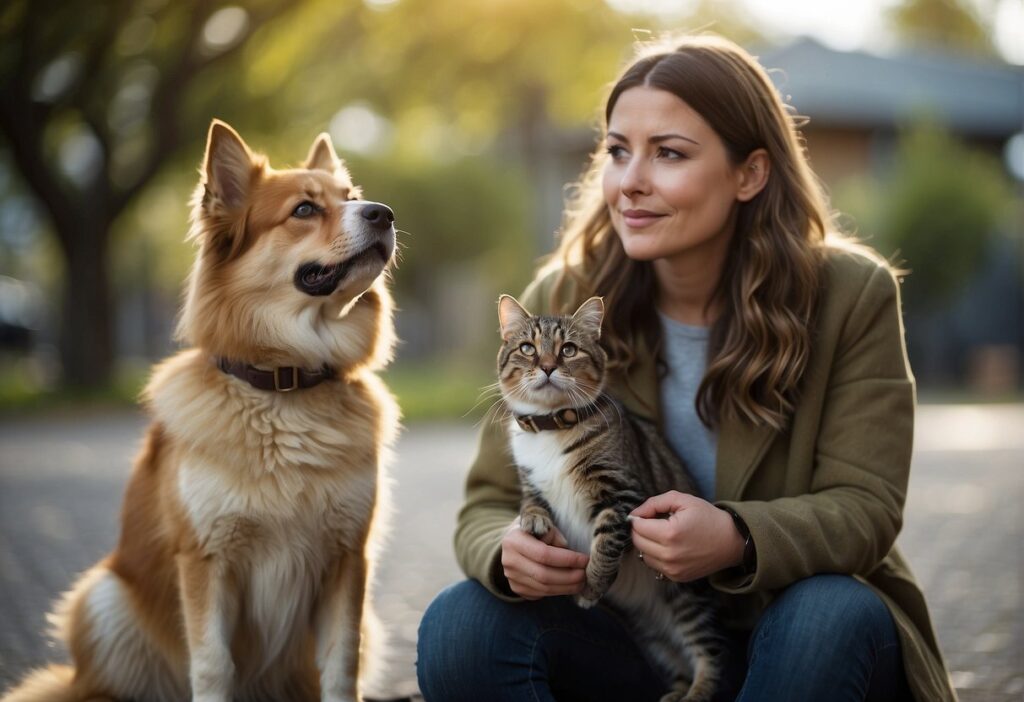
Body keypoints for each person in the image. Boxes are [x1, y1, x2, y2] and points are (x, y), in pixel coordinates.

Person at [416, 34, 956, 702]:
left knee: (828, 614)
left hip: (795, 634)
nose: (630, 181)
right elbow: (487, 505)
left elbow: (865, 508)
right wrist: (506, 552)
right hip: (640, 631)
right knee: (459, 626)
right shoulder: (562, 300)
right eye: (618, 151)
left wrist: (736, 537)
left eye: (668, 153)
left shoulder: (852, 294)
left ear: (749, 174)